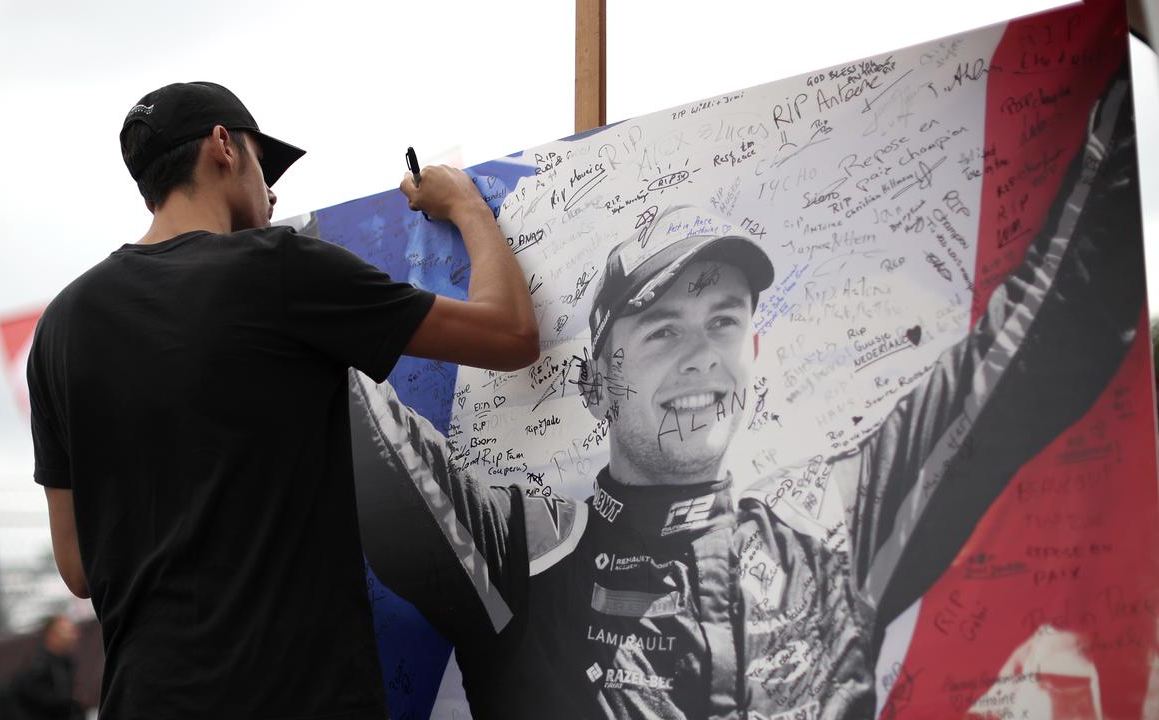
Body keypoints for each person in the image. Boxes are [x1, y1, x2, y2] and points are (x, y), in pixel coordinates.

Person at [348, 77, 1141, 718]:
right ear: (594, 384)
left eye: (723, 322)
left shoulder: (831, 541)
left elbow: (1039, 339)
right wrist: (463, 213)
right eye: (661, 330)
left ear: (753, 352)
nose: (702, 358)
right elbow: (355, 427)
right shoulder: (523, 553)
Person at [27, 81, 538, 719]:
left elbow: (77, 568)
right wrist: (466, 205)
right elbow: (511, 333)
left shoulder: (60, 328)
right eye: (263, 165)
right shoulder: (275, 269)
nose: (272, 193)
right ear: (223, 146)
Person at [0, 614, 82, 720]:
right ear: (51, 635)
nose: (73, 636)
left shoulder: (66, 664)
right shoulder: (38, 667)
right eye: (67, 631)